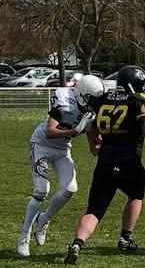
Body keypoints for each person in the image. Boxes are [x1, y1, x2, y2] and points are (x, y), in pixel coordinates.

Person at [64, 65, 145, 264]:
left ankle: (77, 243)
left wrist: (95, 145)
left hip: (105, 161)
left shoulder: (101, 98)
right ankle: (125, 238)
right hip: (129, 161)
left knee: (94, 210)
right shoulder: (139, 100)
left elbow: (91, 130)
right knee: (136, 195)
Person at [17, 74, 105, 257]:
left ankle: (43, 219)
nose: (95, 103)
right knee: (41, 190)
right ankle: (24, 237)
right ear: (83, 94)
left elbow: (94, 147)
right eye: (93, 99)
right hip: (41, 145)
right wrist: (75, 130)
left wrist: (110, 145)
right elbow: (50, 131)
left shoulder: (91, 113)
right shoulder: (65, 100)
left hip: (62, 149)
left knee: (70, 188)